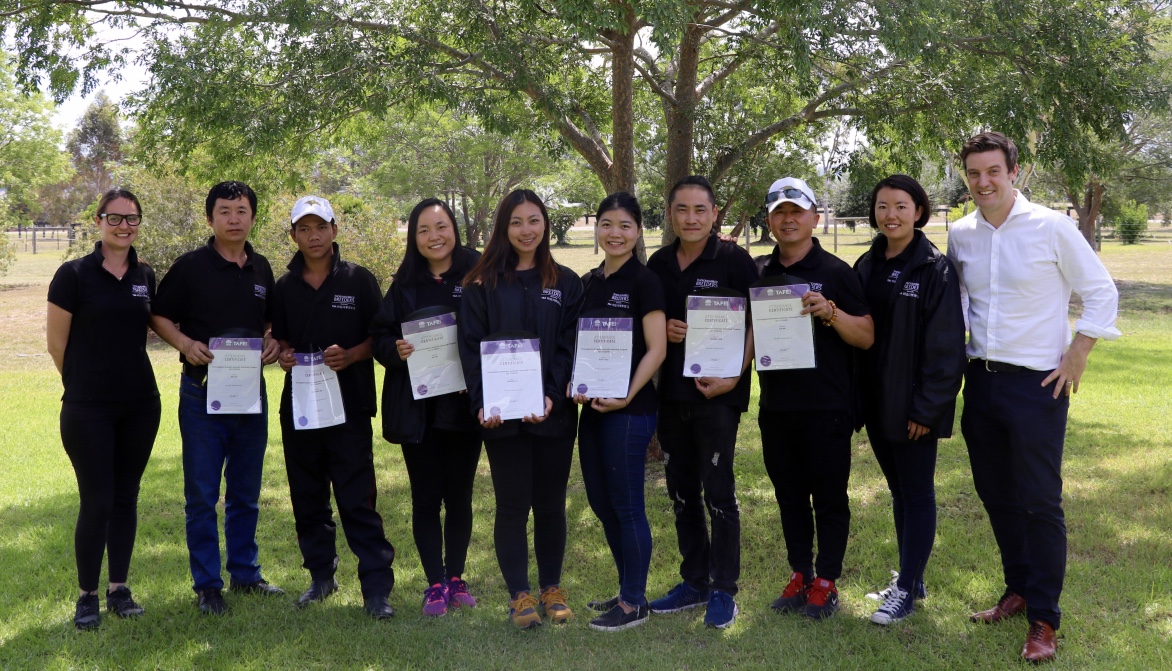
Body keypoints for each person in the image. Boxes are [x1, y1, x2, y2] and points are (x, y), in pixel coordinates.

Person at [947, 132, 1120, 662]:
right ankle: (1017, 590)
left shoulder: (1052, 226)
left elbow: (1101, 291)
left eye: (993, 171)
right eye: (973, 174)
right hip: (982, 381)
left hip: (1037, 385)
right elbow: (955, 306)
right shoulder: (960, 234)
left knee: (1041, 502)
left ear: (1014, 172)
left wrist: (1078, 353)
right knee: (996, 494)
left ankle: (1044, 618)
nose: (983, 182)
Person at [150, 181, 284, 614]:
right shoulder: (191, 266)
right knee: (202, 494)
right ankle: (208, 585)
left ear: (252, 217)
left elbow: (270, 324)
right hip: (201, 392)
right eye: (224, 211)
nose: (233, 218)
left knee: (245, 490)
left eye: (241, 210)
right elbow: (158, 314)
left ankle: (245, 573)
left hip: (250, 394)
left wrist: (271, 343)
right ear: (210, 218)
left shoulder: (262, 269)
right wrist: (185, 344)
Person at [457, 189, 583, 629]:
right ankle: (519, 595)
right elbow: (470, 350)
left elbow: (569, 346)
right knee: (512, 506)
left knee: (550, 504)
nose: (526, 230)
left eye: (534, 220)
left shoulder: (565, 282)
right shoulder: (480, 285)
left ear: (545, 225)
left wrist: (552, 395)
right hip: (502, 418)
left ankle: (551, 587)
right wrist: (482, 403)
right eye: (516, 222)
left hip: (555, 414)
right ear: (502, 228)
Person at [270, 196, 396, 619]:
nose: (313, 236)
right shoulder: (284, 286)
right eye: (303, 229)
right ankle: (321, 575)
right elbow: (282, 339)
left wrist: (354, 355)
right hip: (302, 404)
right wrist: (285, 354)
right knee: (307, 494)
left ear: (334, 230)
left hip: (350, 405)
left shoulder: (359, 280)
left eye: (320, 227)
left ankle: (376, 588)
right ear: (293, 235)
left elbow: (379, 339)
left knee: (357, 496)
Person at [755, 176, 874, 620]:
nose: (788, 219)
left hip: (827, 406)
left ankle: (827, 580)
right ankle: (800, 573)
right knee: (788, 495)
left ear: (814, 218)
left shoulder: (838, 273)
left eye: (797, 211)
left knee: (828, 496)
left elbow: (865, 336)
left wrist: (831, 312)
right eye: (779, 212)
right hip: (777, 407)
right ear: (769, 221)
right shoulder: (761, 273)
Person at [645, 176, 758, 629]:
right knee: (681, 493)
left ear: (714, 215)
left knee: (719, 493)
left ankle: (723, 589)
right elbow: (646, 325)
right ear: (670, 214)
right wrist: (665, 331)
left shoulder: (734, 260)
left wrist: (736, 375)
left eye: (700, 210)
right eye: (681, 210)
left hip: (718, 397)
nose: (690, 218)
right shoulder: (657, 263)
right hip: (672, 396)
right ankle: (693, 581)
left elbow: (756, 323)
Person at [852, 175, 966, 625]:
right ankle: (910, 579)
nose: (891, 215)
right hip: (878, 403)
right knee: (900, 492)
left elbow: (946, 347)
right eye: (883, 206)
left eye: (901, 205)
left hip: (913, 407)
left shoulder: (933, 268)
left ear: (919, 211)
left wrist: (926, 409)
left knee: (917, 494)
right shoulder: (867, 263)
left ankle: (905, 592)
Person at [47, 189, 162, 630]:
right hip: (87, 408)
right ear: (98, 221)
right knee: (96, 500)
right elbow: (57, 344)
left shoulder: (145, 276)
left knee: (126, 498)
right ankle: (87, 596)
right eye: (115, 218)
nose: (123, 226)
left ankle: (119, 589)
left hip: (140, 405)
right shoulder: (73, 274)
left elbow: (162, 324)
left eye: (131, 219)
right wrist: (81, 385)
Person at [369, 198, 483, 618]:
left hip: (463, 406)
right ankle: (434, 582)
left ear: (454, 228)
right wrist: (395, 351)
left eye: (441, 227)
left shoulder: (477, 272)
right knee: (425, 497)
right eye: (424, 230)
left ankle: (456, 576)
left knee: (460, 496)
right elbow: (379, 335)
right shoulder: (404, 282)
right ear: (414, 237)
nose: (434, 237)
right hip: (419, 412)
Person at [573, 193, 667, 632]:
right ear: (597, 229)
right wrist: (577, 382)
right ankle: (629, 586)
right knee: (601, 501)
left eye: (625, 225)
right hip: (592, 411)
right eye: (607, 224)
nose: (615, 233)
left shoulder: (644, 282)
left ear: (638, 231)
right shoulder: (589, 281)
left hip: (630, 412)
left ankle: (634, 604)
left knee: (628, 507)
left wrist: (627, 395)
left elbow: (658, 349)